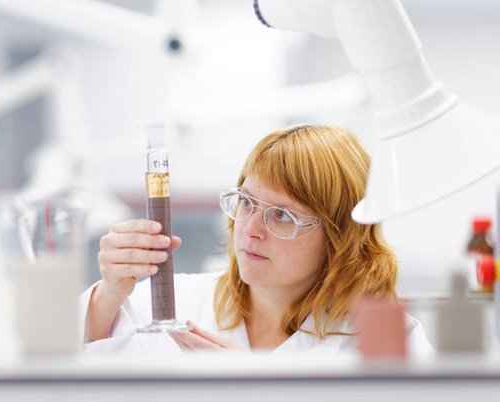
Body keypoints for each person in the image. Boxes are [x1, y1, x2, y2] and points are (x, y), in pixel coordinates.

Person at [79, 124, 433, 355]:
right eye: (246, 202)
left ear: (340, 236)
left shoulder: (381, 340)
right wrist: (109, 292)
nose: (249, 228)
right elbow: (79, 358)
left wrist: (256, 387)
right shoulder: (178, 303)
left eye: (282, 215)